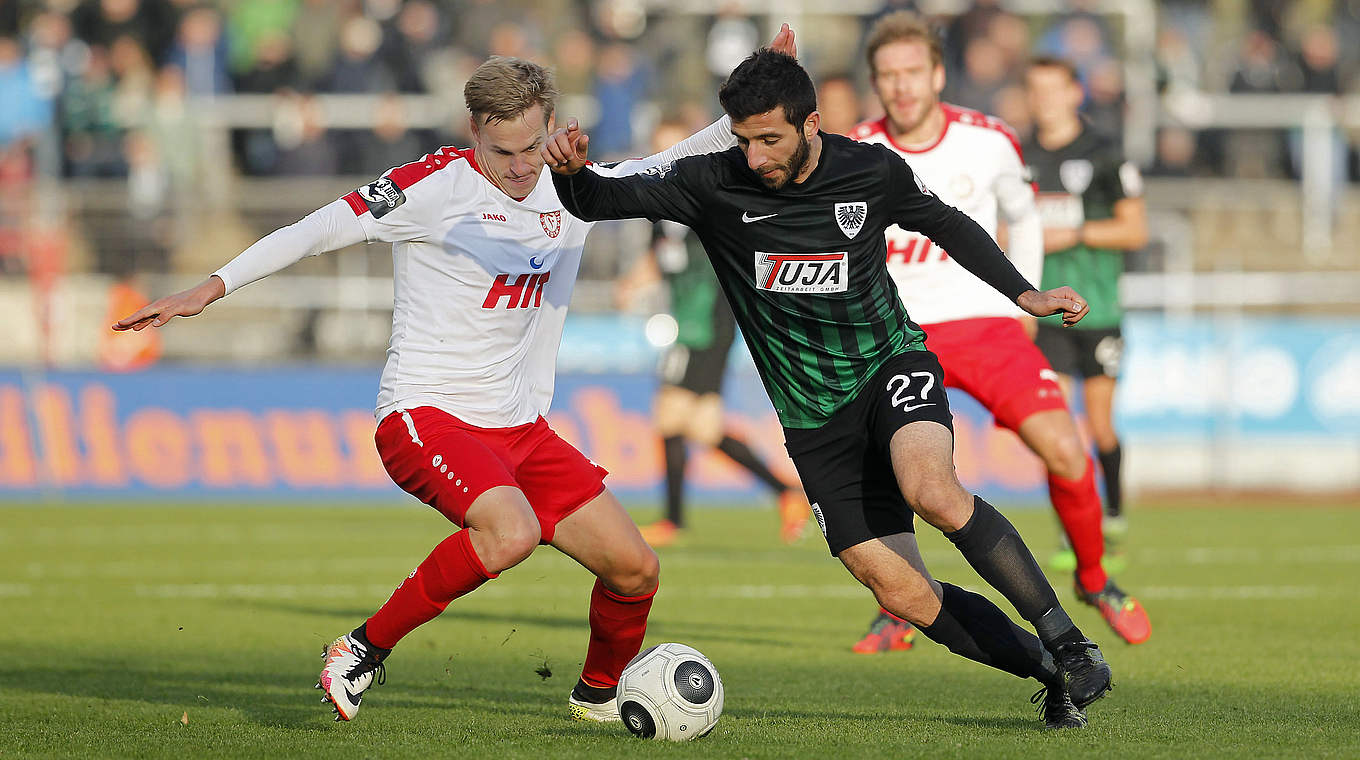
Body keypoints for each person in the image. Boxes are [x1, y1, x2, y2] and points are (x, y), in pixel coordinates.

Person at [112, 32, 797, 725]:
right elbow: (319, 227)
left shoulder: (575, 189)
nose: (522, 166)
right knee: (510, 533)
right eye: (503, 152)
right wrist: (212, 286)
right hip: (426, 414)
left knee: (635, 570)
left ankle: (594, 698)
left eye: (533, 147)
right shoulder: (432, 184)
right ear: (474, 131)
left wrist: (764, 91)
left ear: (552, 127)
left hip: (519, 429)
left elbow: (677, 156)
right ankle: (359, 649)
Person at [546, 48, 1112, 730]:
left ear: (811, 124)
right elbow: (604, 199)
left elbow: (948, 224)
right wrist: (572, 175)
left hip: (889, 368)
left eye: (771, 139)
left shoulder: (869, 169)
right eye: (744, 140)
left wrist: (1026, 293)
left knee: (931, 489)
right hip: (814, 422)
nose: (755, 157)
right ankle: (1048, 675)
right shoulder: (712, 183)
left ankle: (1070, 641)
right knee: (899, 590)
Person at [845, 13, 1149, 653]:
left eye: (910, 73)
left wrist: (1023, 299)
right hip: (898, 337)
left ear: (937, 74)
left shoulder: (988, 141)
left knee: (1068, 450)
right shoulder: (856, 148)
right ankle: (905, 604)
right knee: (899, 477)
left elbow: (1024, 215)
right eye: (886, 76)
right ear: (875, 82)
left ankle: (1095, 581)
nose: (899, 87)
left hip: (985, 326)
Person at [617, 122, 811, 547]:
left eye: (672, 146)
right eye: (658, 147)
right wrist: (634, 280)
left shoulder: (704, 194)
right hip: (691, 321)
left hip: (706, 324)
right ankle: (787, 494)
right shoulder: (660, 205)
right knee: (704, 427)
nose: (664, 156)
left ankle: (672, 520)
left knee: (669, 415)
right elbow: (662, 257)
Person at [1021, 56, 1148, 568]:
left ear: (1075, 93)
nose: (1044, 99)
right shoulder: (1019, 155)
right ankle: (1072, 531)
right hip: (1047, 315)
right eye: (1035, 89)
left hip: (1098, 309)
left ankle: (1113, 515)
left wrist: (1072, 234)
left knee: (1098, 426)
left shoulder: (1104, 154)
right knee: (1058, 431)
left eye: (1053, 89)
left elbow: (1133, 230)